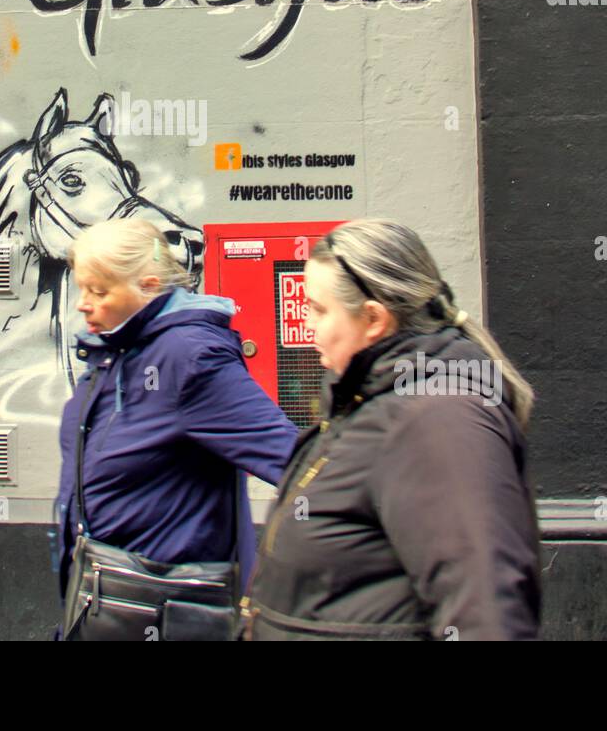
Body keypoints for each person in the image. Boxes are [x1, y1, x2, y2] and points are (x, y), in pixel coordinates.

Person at [241, 219, 541, 640]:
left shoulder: (438, 418)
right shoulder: (367, 401)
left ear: (374, 319)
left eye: (319, 309)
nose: (307, 323)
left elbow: (486, 611)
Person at [54, 219, 298, 631]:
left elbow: (293, 459)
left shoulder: (189, 358)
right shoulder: (111, 353)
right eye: (82, 288)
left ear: (148, 286)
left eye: (98, 290)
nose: (83, 303)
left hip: (160, 611)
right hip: (100, 602)